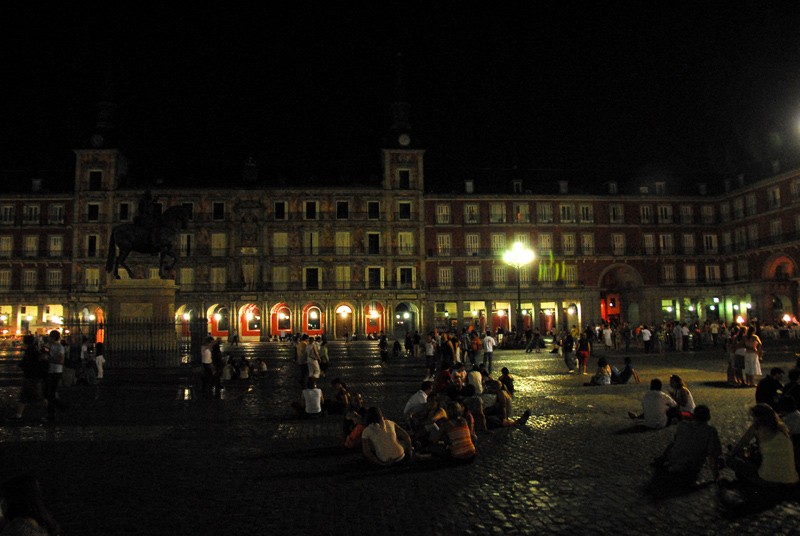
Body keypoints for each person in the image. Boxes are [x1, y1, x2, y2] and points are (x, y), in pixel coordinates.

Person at [726, 403, 799, 486]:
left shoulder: (757, 428)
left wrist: (733, 452)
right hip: (791, 479)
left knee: (730, 459)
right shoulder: (782, 429)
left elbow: (739, 447)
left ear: (757, 418)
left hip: (768, 479)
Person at [652, 405, 722, 486]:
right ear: (708, 417)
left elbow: (675, 442)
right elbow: (712, 456)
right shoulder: (710, 431)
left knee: (674, 443)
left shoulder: (683, 425)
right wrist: (716, 476)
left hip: (674, 461)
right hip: (692, 466)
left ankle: (664, 460)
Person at [11, 335, 48, 422]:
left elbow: (26, 362)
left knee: (36, 396)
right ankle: (18, 414)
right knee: (26, 395)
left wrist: (19, 365)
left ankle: (52, 411)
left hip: (31, 376)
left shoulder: (30, 351)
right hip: (33, 376)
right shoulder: (34, 349)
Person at [43, 330, 66, 423]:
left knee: (50, 394)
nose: (48, 338)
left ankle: (51, 415)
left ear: (53, 337)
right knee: (47, 393)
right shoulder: (50, 346)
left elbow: (61, 361)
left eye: (49, 336)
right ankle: (61, 406)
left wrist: (49, 360)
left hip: (56, 372)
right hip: (50, 371)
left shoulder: (60, 347)